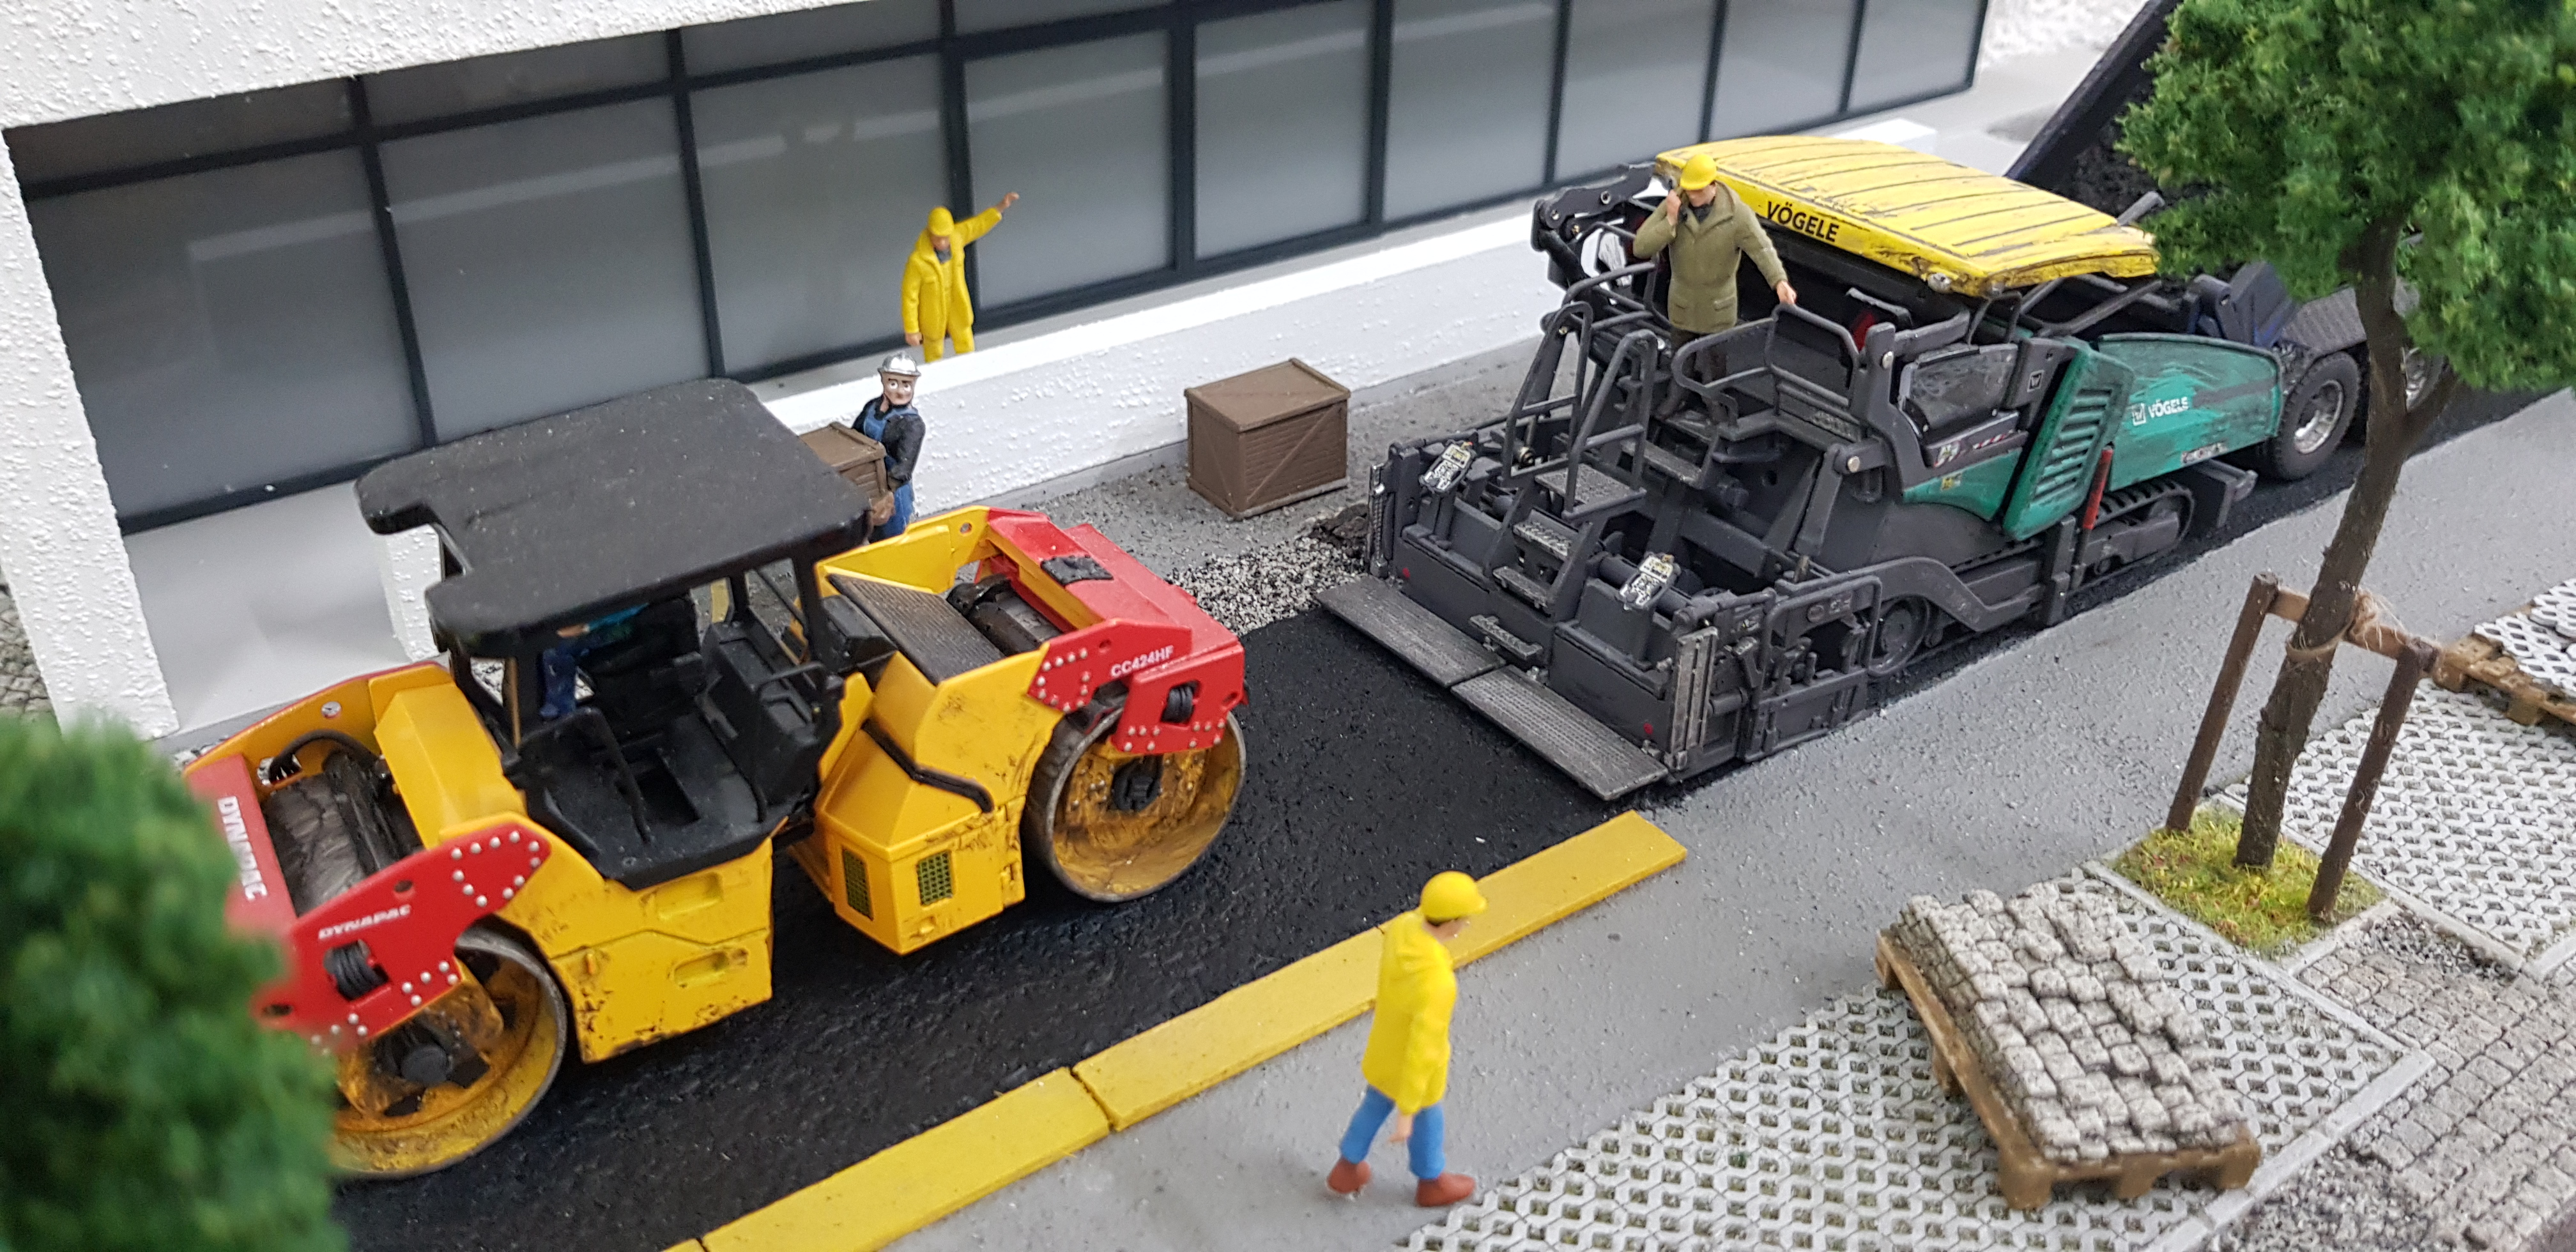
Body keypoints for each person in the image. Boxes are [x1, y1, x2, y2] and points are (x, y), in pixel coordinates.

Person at [1326, 871, 1487, 1208]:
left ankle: (1346, 1169)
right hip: (1415, 1075)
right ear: (1453, 923)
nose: (1466, 925)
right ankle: (1432, 1182)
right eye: (1465, 919)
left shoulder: (1402, 929)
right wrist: (1408, 1108)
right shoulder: (1437, 983)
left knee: (1373, 1105)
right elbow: (1424, 1048)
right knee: (1429, 1120)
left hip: (1384, 1047)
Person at [1633, 153, 1799, 404]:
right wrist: (1670, 221)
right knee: (1680, 357)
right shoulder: (1677, 203)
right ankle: (1676, 398)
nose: (1693, 196)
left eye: (1699, 190)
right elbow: (1641, 247)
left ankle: (1715, 404)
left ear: (1713, 186)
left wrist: (1779, 281)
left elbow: (1761, 248)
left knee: (1715, 363)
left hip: (1717, 305)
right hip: (1683, 300)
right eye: (1690, 190)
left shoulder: (1736, 215)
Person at [901, 192, 1019, 361]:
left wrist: (1000, 207)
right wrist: (912, 329)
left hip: (957, 302)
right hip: (933, 312)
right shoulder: (918, 261)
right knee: (934, 350)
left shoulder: (957, 238)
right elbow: (910, 296)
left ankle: (970, 369)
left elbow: (977, 226)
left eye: (945, 238)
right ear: (930, 234)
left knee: (965, 342)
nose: (942, 243)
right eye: (938, 238)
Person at [852, 353, 924, 542]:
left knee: (895, 535)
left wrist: (886, 493)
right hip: (868, 482)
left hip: (893, 490)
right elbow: (855, 437)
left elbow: (904, 468)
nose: (900, 391)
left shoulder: (913, 425)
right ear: (883, 381)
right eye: (893, 383)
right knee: (870, 531)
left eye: (906, 385)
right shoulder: (871, 408)